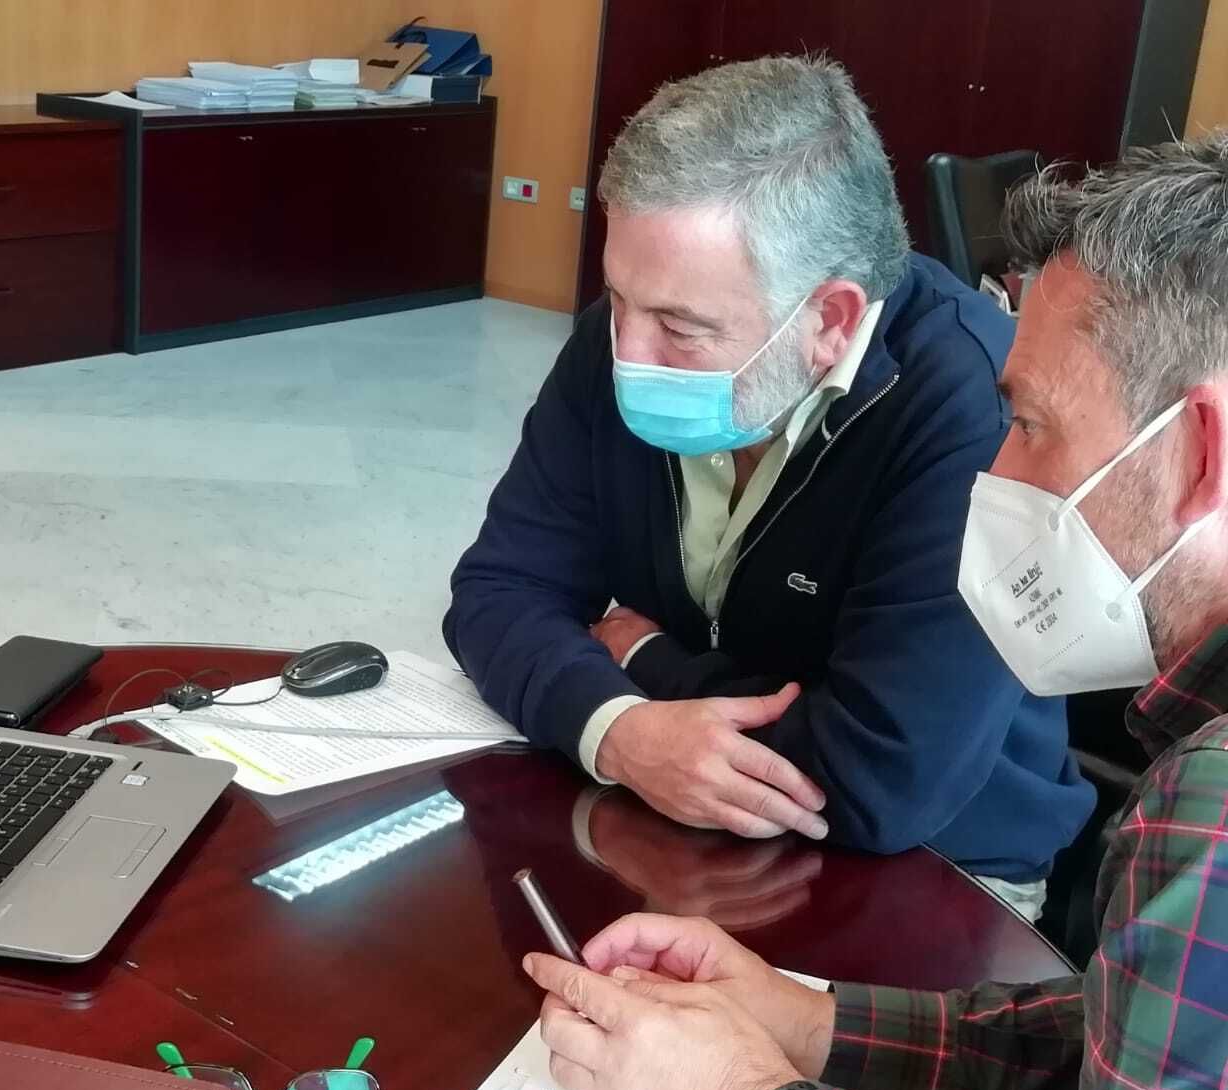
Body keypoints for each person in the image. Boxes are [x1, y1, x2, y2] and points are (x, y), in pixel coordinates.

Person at [524, 134, 1228, 1090]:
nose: (996, 472)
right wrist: (809, 1023)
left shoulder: (1210, 813)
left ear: (1201, 451)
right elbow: (1133, 1052)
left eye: (1030, 425)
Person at [443, 56, 1090, 909]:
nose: (625, 354)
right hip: (669, 808)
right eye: (618, 298)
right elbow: (496, 592)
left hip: (939, 869)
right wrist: (621, 730)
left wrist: (641, 660)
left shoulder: (973, 408)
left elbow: (881, 777)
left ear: (831, 321)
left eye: (680, 327)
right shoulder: (620, 338)